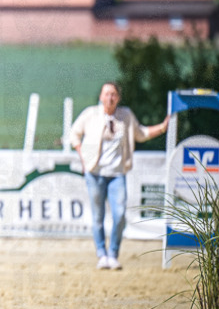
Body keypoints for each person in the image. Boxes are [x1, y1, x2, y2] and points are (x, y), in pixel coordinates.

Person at [69, 81, 168, 271]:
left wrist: (162, 128)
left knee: (120, 214)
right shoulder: (90, 114)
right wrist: (82, 156)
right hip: (95, 173)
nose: (110, 98)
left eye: (113, 94)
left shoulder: (126, 116)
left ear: (118, 98)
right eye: (106, 94)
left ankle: (113, 253)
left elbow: (141, 133)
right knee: (98, 216)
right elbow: (74, 134)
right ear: (101, 97)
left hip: (117, 174)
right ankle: (101, 254)